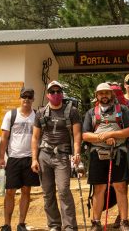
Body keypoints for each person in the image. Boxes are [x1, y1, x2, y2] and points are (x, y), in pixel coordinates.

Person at [82, 83, 129, 231]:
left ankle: (124, 221)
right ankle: (96, 222)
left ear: (111, 95)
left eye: (107, 93)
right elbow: (85, 135)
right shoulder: (91, 113)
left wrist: (111, 135)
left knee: (121, 187)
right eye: (101, 93)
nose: (104, 96)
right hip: (98, 154)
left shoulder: (122, 110)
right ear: (96, 96)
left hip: (118, 153)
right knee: (99, 188)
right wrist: (103, 138)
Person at [31, 81, 81, 231]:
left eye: (58, 91)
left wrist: (77, 153)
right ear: (47, 95)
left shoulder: (71, 111)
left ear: (62, 94)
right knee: (47, 192)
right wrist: (34, 159)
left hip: (62, 156)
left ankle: (69, 226)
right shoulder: (40, 113)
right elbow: (35, 137)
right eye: (52, 92)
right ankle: (54, 224)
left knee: (64, 190)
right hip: (44, 155)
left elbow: (77, 135)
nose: (56, 94)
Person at [0, 87, 40, 231]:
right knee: (10, 191)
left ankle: (21, 223)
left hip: (30, 158)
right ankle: (7, 224)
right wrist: (1, 157)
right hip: (14, 158)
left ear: (33, 99)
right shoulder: (11, 115)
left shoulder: (37, 116)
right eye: (24, 96)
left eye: (29, 96)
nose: (26, 99)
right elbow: (4, 138)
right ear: (20, 98)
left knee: (26, 190)